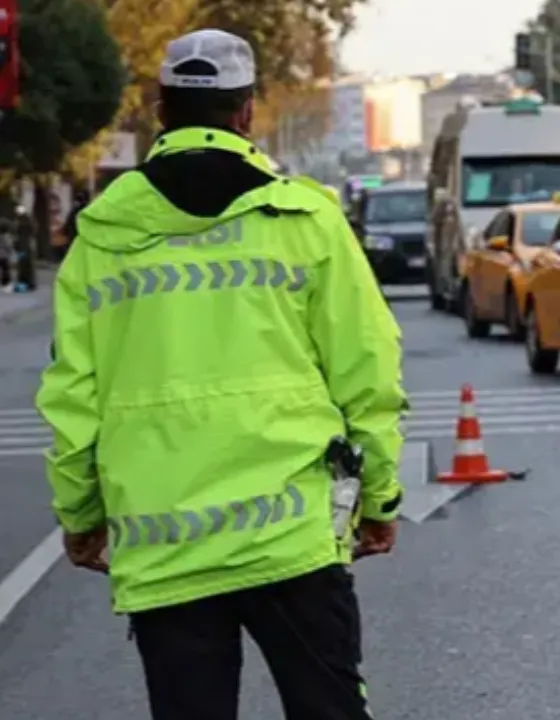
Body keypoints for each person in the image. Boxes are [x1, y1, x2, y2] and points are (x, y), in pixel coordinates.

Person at [34, 29, 406, 720]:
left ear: (159, 108)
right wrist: (379, 498)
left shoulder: (103, 233)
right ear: (247, 113)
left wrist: (82, 516)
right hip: (292, 539)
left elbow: (73, 397)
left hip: (167, 547)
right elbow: (368, 369)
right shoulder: (305, 219)